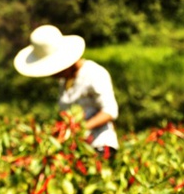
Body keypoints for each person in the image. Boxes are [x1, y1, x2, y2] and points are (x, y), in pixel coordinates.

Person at [13, 25, 119, 157]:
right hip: (77, 149)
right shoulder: (64, 82)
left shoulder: (94, 73)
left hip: (100, 146)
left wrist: (79, 128)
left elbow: (110, 111)